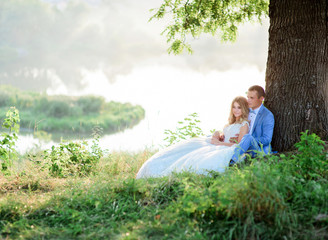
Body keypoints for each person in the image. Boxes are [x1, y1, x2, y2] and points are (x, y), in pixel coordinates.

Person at [136, 96, 250, 179]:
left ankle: (169, 173)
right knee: (186, 149)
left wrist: (218, 143)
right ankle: (153, 167)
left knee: (197, 158)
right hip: (219, 144)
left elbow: (239, 144)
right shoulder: (232, 122)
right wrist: (217, 135)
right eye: (234, 107)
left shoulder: (244, 124)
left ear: (243, 109)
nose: (235, 110)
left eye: (239, 107)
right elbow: (225, 135)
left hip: (225, 147)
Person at [229, 85, 275, 164]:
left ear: (261, 99)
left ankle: (232, 162)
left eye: (252, 98)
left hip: (258, 149)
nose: (248, 100)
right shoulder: (246, 110)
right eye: (248, 97)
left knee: (248, 137)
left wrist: (248, 140)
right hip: (243, 144)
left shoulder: (267, 115)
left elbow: (267, 139)